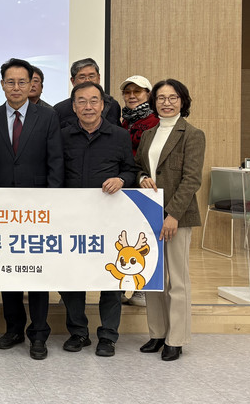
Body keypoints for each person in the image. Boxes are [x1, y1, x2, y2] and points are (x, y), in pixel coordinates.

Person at [0, 58, 63, 360]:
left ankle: (38, 333)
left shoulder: (48, 116)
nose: (16, 87)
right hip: (2, 209)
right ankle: (14, 327)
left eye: (22, 82)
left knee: (37, 272)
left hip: (37, 209)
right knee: (9, 270)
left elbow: (55, 162)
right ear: (2, 84)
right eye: (10, 82)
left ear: (31, 85)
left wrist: (51, 204)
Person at [58, 82, 138, 357]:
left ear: (103, 105)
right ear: (74, 107)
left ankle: (108, 336)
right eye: (81, 101)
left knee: (110, 279)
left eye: (94, 101)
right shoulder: (63, 136)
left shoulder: (119, 136)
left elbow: (131, 170)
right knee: (72, 278)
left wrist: (122, 179)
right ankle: (78, 332)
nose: (88, 106)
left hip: (109, 220)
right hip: (72, 219)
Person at [136, 79, 205, 362]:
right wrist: (142, 177)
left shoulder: (192, 134)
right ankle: (157, 333)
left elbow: (192, 179)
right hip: (150, 213)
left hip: (178, 216)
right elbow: (139, 167)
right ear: (154, 102)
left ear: (182, 101)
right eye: (161, 98)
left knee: (177, 280)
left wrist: (173, 215)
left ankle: (176, 339)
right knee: (153, 278)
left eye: (173, 97)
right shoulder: (148, 134)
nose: (166, 102)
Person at [119, 74, 159, 308]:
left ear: (148, 94)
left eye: (138, 91)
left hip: (147, 186)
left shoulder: (155, 121)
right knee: (128, 237)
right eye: (127, 92)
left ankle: (143, 289)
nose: (132, 96)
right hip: (128, 186)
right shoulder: (125, 121)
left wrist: (142, 175)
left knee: (144, 238)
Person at [53, 58, 121, 129]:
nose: (87, 80)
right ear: (73, 81)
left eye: (91, 76)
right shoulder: (60, 109)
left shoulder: (112, 105)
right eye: (82, 77)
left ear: (98, 78)